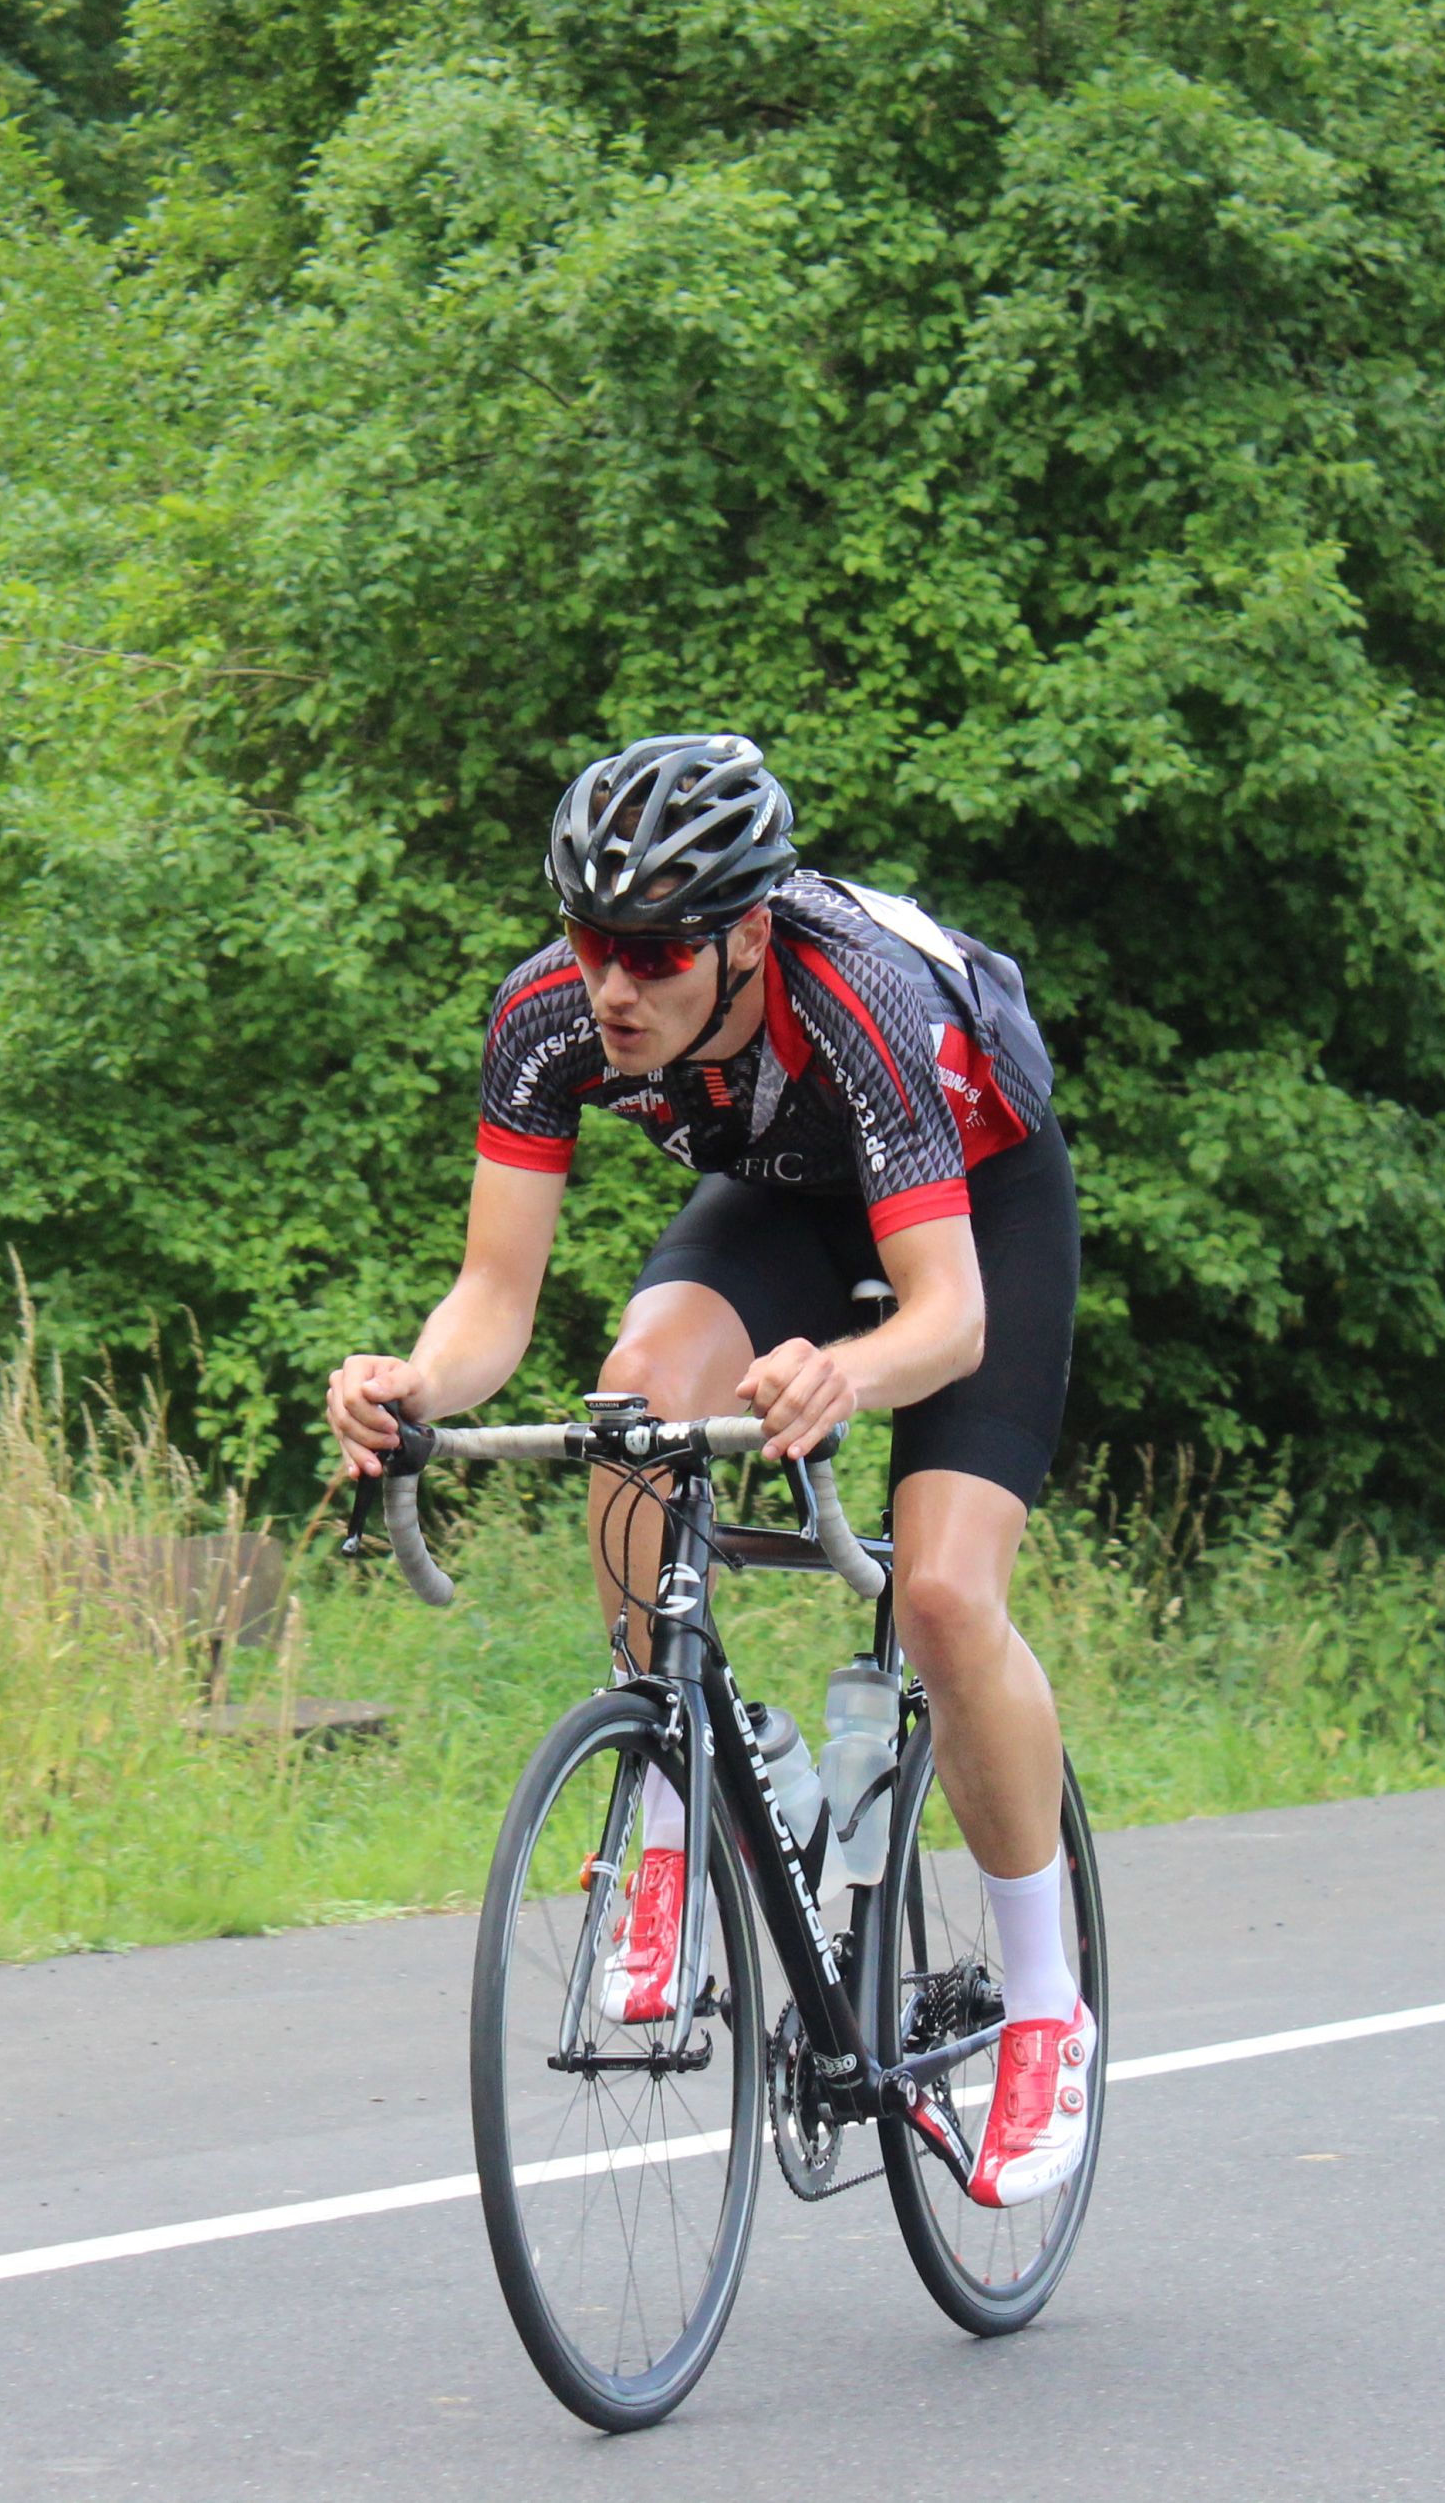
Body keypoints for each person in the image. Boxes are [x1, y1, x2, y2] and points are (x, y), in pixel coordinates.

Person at [325, 733, 1090, 2206]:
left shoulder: (855, 995)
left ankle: (1047, 2010)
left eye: (656, 954)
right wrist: (414, 1382)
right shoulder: (549, 1014)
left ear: (744, 936)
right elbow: (494, 1298)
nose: (614, 986)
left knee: (941, 1597)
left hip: (975, 1202)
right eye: (591, 941)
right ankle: (686, 1796)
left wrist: (845, 1371)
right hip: (788, 1192)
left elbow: (947, 1319)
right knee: (636, 1398)